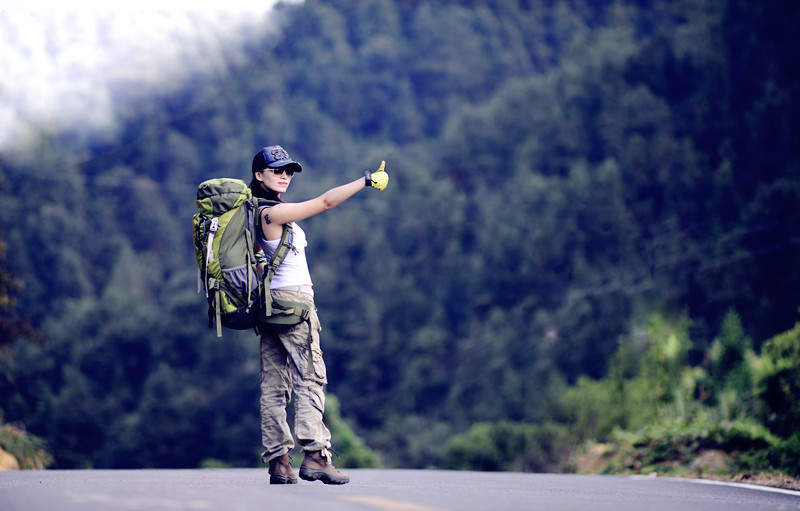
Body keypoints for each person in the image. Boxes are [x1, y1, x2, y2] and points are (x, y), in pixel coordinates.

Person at [249, 145, 388, 485]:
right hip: (293, 305)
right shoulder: (270, 213)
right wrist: (365, 181)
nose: (285, 175)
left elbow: (258, 258)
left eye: (288, 170)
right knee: (310, 376)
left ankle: (279, 462)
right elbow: (325, 202)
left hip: (269, 307)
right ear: (258, 175)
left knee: (273, 385)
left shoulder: (255, 213)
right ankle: (314, 454)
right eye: (277, 170)